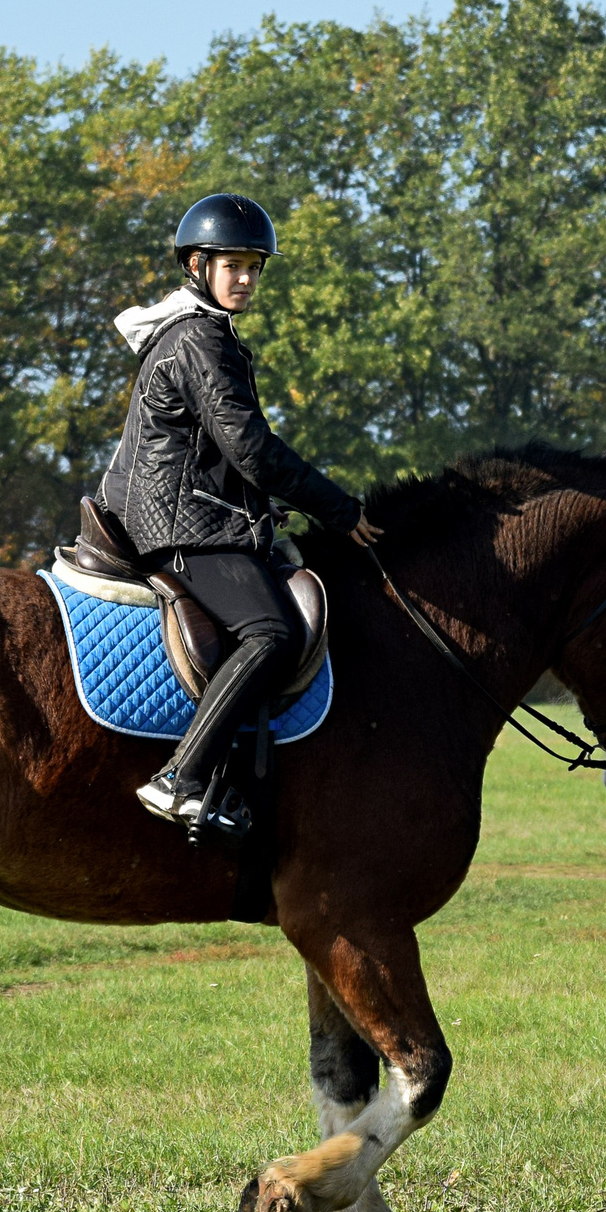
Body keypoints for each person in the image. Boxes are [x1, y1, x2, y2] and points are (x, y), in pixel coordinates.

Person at [100, 193, 386, 841]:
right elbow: (252, 449)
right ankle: (180, 778)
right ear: (199, 265)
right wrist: (338, 510)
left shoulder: (198, 334)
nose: (248, 279)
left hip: (189, 512)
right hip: (181, 525)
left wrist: (268, 508)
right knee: (272, 633)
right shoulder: (201, 338)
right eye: (235, 266)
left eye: (256, 267)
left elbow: (217, 455)